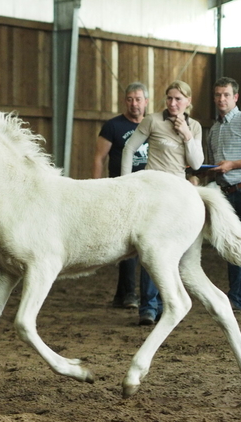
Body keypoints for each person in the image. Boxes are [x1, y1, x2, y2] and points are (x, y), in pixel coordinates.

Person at [121, 80, 204, 325]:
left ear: (188, 101)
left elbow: (197, 164)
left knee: (169, 251)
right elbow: (129, 147)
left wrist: (187, 135)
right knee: (152, 247)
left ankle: (167, 305)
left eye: (178, 99)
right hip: (154, 193)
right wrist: (126, 183)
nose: (173, 103)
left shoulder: (195, 126)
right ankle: (148, 307)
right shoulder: (153, 121)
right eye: (169, 98)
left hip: (178, 195)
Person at [92, 82, 149, 309]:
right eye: (130, 99)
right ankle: (129, 294)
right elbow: (99, 158)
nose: (134, 104)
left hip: (147, 192)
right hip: (120, 191)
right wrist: (96, 189)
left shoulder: (152, 124)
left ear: (145, 101)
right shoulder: (113, 126)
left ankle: (121, 294)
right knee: (128, 243)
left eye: (138, 99)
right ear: (125, 101)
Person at [207, 77, 241, 312]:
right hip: (225, 193)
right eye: (217, 95)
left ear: (235, 97)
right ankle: (236, 298)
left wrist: (232, 165)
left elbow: (230, 164)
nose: (221, 99)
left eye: (225, 94)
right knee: (233, 245)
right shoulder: (213, 129)